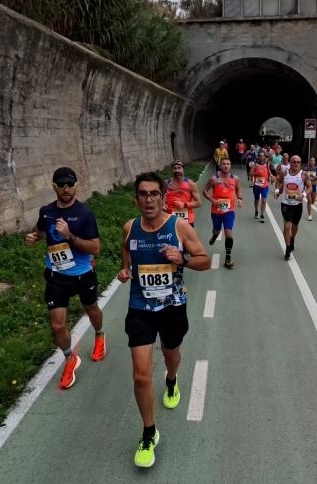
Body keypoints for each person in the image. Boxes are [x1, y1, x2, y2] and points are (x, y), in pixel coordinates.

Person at [118, 172, 211, 468]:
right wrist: (125, 269)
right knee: (141, 375)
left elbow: (205, 261)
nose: (148, 199)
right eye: (143, 194)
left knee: (171, 353)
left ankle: (172, 379)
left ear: (162, 197)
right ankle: (148, 432)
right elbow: (125, 249)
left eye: (154, 194)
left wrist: (182, 259)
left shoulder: (179, 227)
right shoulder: (130, 228)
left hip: (172, 307)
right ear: (136, 198)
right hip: (140, 309)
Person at [24, 167, 105, 389]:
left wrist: (70, 236)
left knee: (92, 310)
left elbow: (96, 248)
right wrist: (34, 236)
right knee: (58, 326)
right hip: (56, 275)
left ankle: (99, 335)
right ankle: (70, 358)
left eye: (70, 184)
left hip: (82, 274)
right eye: (61, 185)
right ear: (54, 187)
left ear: (76, 186)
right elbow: (40, 231)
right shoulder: (47, 211)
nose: (66, 189)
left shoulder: (85, 213)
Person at [203, 158, 243, 268]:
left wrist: (239, 198)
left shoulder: (235, 179)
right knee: (216, 230)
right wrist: (213, 200)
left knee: (228, 233)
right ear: (220, 166)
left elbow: (238, 189)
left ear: (230, 166)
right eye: (224, 164)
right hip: (216, 211)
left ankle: (228, 258)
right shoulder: (213, 178)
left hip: (229, 211)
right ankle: (215, 235)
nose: (226, 166)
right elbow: (204, 191)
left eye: (228, 164)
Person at [274, 155, 311, 261]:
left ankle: (292, 238)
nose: (296, 164)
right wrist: (277, 191)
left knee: (295, 225)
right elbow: (279, 182)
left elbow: (309, 187)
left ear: (300, 163)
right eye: (294, 162)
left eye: (298, 162)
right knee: (287, 225)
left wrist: (303, 195)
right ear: (290, 162)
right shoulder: (284, 173)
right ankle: (288, 248)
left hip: (297, 205)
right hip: (286, 204)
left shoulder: (303, 175)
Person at [164, 160, 202, 227]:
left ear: (183, 170)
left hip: (187, 219)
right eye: (174, 168)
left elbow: (199, 203)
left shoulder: (191, 184)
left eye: (179, 168)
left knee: (188, 237)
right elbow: (160, 199)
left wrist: (184, 204)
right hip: (169, 218)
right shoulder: (166, 184)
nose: (177, 170)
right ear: (171, 170)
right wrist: (163, 205)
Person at [250, 153, 271, 223]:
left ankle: (262, 215)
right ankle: (256, 211)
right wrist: (256, 173)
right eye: (260, 156)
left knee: (264, 200)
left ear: (264, 157)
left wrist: (272, 176)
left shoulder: (267, 164)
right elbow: (250, 173)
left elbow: (269, 172)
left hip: (265, 185)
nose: (261, 157)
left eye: (262, 156)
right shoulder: (255, 164)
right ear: (258, 157)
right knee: (257, 199)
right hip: (257, 185)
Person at [305, 157, 317, 221]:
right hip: (308, 186)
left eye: (313, 160)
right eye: (311, 160)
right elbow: (302, 175)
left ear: (315, 162)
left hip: (314, 186)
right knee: (309, 201)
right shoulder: (306, 168)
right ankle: (309, 215)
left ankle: (310, 208)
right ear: (309, 162)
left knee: (313, 201)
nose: (312, 162)